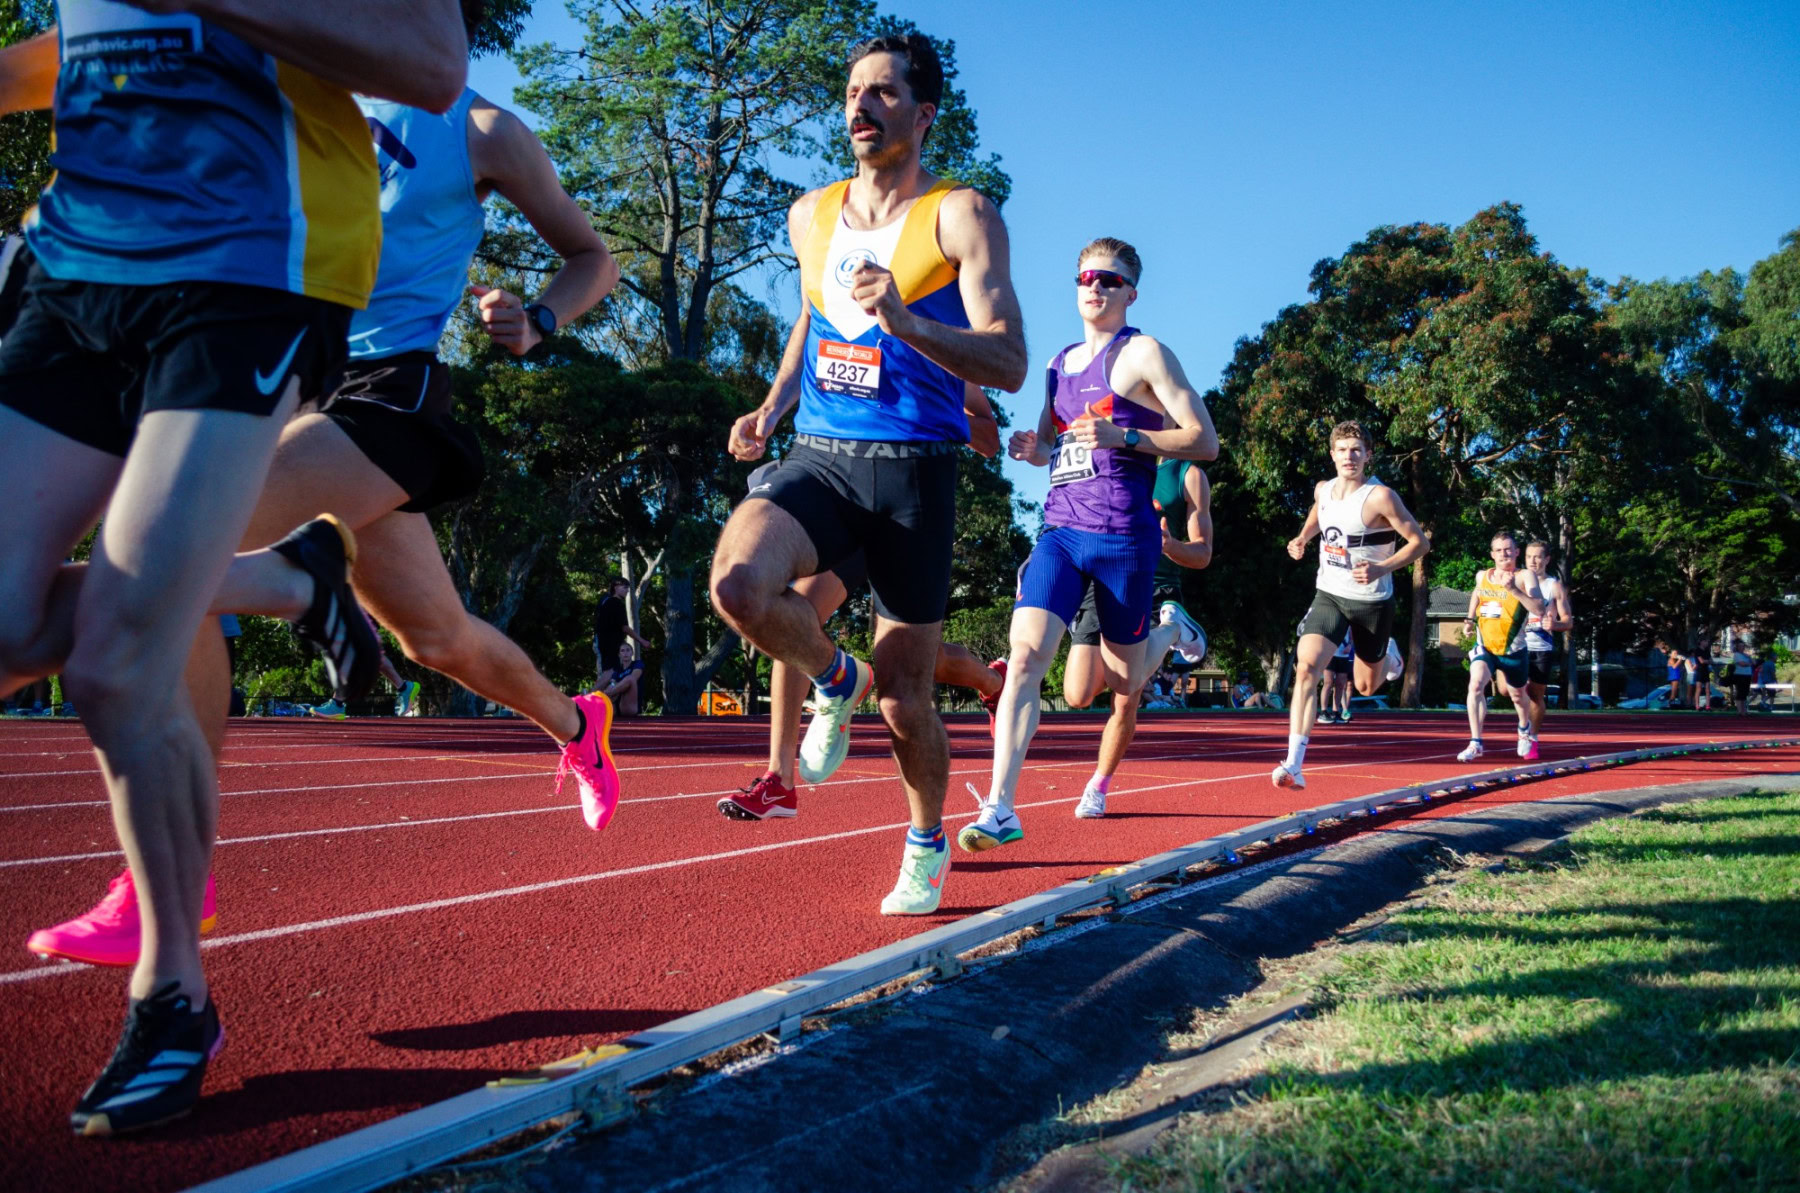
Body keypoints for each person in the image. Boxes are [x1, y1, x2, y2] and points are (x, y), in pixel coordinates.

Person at [28, 0, 624, 1044]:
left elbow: (591, 254)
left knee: (174, 555)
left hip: (383, 390)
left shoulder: (480, 131)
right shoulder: (261, 77)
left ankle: (173, 866)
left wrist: (538, 318)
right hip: (257, 362)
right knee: (433, 637)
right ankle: (579, 725)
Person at [0, 0, 470, 1137]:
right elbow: (107, 42)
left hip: (256, 259)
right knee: (8, 638)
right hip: (83, 256)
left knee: (117, 663)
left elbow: (431, 63)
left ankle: (172, 997)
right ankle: (294, 576)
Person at [709, 32, 1027, 915]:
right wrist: (772, 407)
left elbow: (1008, 358)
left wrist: (912, 325)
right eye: (853, 91)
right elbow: (812, 317)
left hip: (916, 473)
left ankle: (925, 842)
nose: (862, 106)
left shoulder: (961, 215)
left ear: (923, 115)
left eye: (884, 93)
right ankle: (834, 680)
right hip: (821, 453)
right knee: (738, 586)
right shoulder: (810, 215)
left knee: (908, 699)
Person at [976, 236, 1217, 845]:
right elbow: (1056, 446)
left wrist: (1127, 438)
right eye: (1086, 277)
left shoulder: (1147, 355)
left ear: (1131, 292)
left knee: (1123, 682)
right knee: (1027, 658)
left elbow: (1203, 440)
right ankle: (1001, 808)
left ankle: (1170, 631)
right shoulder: (1057, 364)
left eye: (1109, 280)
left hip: (1124, 540)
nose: (1094, 287)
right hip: (1059, 532)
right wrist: (1036, 452)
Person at [717, 382, 1006, 821]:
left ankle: (992, 683)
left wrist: (917, 402)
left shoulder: (938, 342)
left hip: (907, 507)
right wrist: (767, 413)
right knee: (794, 622)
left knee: (907, 666)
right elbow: (803, 364)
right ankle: (780, 779)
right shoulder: (834, 323)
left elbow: (988, 437)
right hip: (841, 497)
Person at [1272, 422, 1428, 789]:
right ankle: (1294, 764)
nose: (1349, 456)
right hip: (1330, 594)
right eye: (1342, 450)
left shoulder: (1380, 497)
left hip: (1372, 602)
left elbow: (1419, 543)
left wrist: (1381, 568)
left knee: (1366, 687)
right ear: (1332, 455)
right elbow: (1318, 513)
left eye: (1356, 449)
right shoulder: (1323, 490)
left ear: (1368, 455)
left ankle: (1388, 656)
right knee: (1307, 666)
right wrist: (1302, 538)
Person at [1062, 456, 1213, 819]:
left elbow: (1203, 553)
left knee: (1125, 695)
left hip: (1155, 587)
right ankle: (1176, 631)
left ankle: (1097, 786)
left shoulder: (1186, 475)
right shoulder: (1105, 458)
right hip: (1102, 579)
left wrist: (1169, 544)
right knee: (1079, 694)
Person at [1455, 532, 1546, 762]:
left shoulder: (1526, 576)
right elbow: (1477, 593)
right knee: (1475, 685)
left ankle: (1524, 729)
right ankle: (1476, 742)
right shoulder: (1482, 576)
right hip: (1485, 645)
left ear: (1516, 552)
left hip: (1513, 649)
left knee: (1517, 696)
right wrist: (1469, 619)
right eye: (1499, 550)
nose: (1504, 554)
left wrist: (1514, 590)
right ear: (1492, 554)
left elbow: (1539, 609)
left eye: (1508, 549)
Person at [1508, 539, 1574, 758]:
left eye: (1537, 557)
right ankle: (1523, 725)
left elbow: (1568, 621)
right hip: (1515, 645)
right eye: (1528, 556)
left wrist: (1555, 624)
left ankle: (1532, 738)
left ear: (1547, 559)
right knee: (1503, 689)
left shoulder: (1553, 586)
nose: (1532, 561)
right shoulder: (1516, 581)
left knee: (1536, 695)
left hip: (1540, 648)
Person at [594, 577, 651, 691]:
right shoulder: (615, 603)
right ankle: (586, 700)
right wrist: (642, 641)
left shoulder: (604, 600)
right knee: (610, 674)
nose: (627, 590)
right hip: (608, 645)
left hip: (603, 643)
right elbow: (624, 627)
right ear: (615, 587)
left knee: (610, 676)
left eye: (628, 588)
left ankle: (601, 704)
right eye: (625, 587)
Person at [602, 640, 646, 717]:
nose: (625, 653)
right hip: (616, 704)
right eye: (622, 651)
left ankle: (606, 695)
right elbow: (612, 683)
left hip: (630, 706)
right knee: (609, 683)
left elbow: (633, 678)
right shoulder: (617, 671)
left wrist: (613, 690)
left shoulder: (638, 664)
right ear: (619, 655)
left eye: (628, 650)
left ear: (632, 653)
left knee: (630, 678)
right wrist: (612, 687)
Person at [1318, 634, 1353, 724]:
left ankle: (1335, 712)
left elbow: (1352, 634)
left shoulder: (1348, 621)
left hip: (1343, 655)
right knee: (1328, 682)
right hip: (1329, 654)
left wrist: (1349, 644)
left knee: (1340, 684)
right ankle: (1323, 712)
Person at [1728, 640, 1755, 714]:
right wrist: (1749, 663)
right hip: (1740, 675)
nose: (1742, 647)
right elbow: (1742, 664)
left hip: (1747, 675)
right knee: (1740, 692)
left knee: (1745, 693)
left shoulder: (1746, 655)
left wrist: (1749, 657)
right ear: (1737, 647)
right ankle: (1739, 710)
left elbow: (1754, 662)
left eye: (1743, 646)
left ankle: (1744, 710)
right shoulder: (1736, 655)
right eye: (1740, 646)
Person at [1660, 641, 1685, 708]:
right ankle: (1669, 704)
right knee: (1673, 691)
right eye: (1674, 653)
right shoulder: (1670, 659)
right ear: (1671, 654)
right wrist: (1680, 660)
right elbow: (1674, 667)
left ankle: (1671, 703)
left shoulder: (1675, 660)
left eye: (1676, 653)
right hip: (1673, 677)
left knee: (1675, 691)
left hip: (1676, 676)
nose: (1676, 654)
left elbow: (1679, 668)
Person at [1693, 642, 1714, 710]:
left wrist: (1706, 661)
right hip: (1699, 671)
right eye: (1705, 641)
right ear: (1701, 642)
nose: (1706, 643)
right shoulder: (1697, 650)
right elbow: (1701, 661)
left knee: (1707, 689)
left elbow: (1711, 661)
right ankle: (1697, 705)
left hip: (1706, 671)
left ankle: (1708, 706)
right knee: (1698, 689)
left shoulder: (1707, 651)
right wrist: (1707, 661)